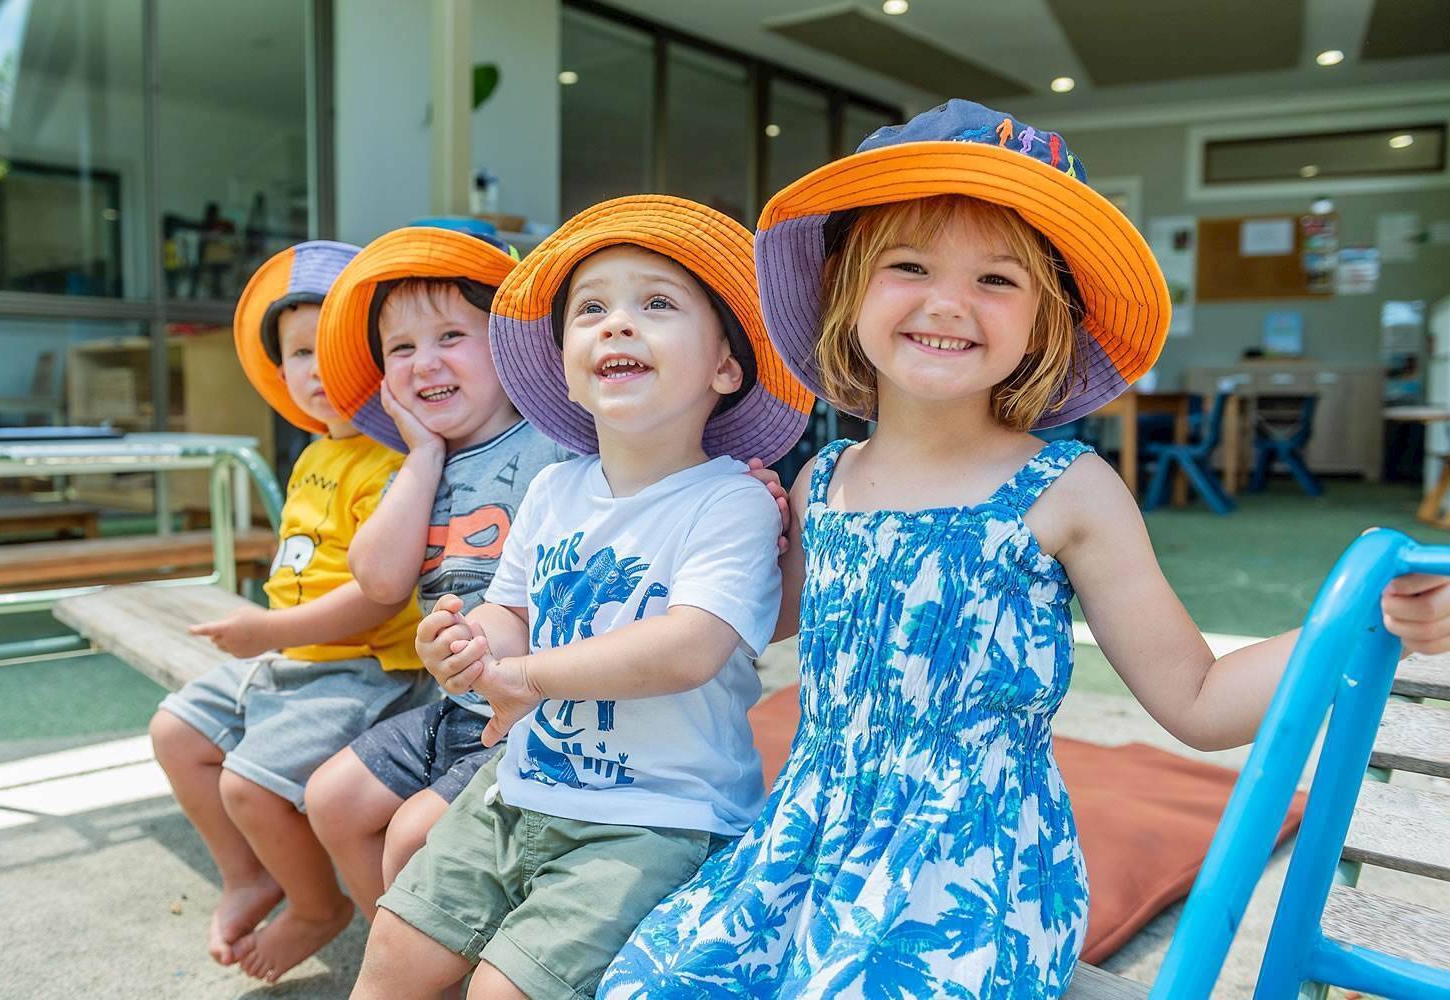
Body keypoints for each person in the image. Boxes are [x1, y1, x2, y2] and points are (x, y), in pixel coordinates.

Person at [600, 100, 1450, 999]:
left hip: (972, 870)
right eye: (909, 265)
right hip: (805, 842)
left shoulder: (1067, 491)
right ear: (847, 288)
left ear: (1047, 319)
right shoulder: (825, 482)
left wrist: (1359, 621)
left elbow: (1199, 702)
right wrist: (696, 520)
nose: (947, 303)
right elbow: (740, 629)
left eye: (998, 280)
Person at [350, 195, 813, 1000]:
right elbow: (513, 610)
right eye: (591, 309)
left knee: (507, 990)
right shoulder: (556, 489)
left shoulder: (730, 501)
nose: (617, 324)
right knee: (394, 950)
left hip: (657, 819)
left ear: (725, 368)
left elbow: (689, 646)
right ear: (567, 359)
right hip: (519, 788)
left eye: (657, 304)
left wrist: (526, 678)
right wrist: (472, 644)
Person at [147, 240, 430, 984]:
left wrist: (264, 631)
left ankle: (315, 906)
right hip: (287, 662)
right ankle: (249, 876)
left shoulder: (391, 460)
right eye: (299, 355)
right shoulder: (314, 454)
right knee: (175, 732)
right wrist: (268, 639)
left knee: (250, 783)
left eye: (334, 350)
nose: (316, 371)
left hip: (362, 670)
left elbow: (377, 597)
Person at [303, 225, 573, 925]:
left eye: (452, 336)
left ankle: (419, 966)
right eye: (401, 349)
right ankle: (406, 965)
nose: (425, 364)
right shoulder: (417, 468)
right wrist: (421, 454)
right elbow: (380, 580)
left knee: (412, 836)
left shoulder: (557, 437)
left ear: (509, 345)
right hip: (454, 707)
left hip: (537, 712)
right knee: (331, 799)